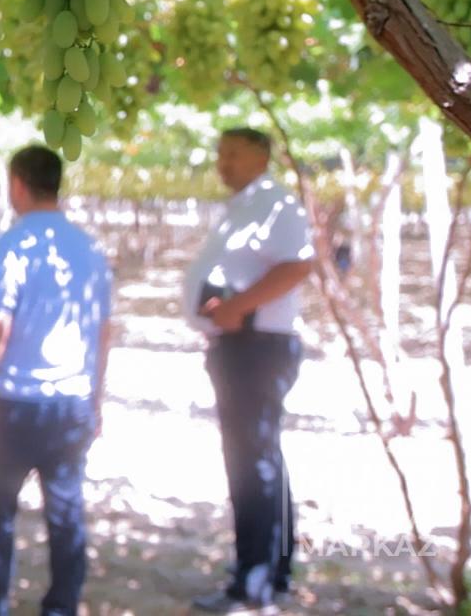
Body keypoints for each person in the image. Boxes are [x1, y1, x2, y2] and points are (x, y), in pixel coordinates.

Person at [0, 145, 115, 616]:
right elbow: (104, 329)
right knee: (66, 512)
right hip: (70, 399)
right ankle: (61, 606)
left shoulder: (14, 242)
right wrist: (96, 396)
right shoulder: (89, 248)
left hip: (14, 400)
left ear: (17, 184)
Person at [185, 127, 314, 614]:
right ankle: (272, 573)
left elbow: (297, 266)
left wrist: (237, 306)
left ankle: (251, 584)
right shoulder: (245, 206)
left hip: (256, 347)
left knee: (250, 465)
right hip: (241, 344)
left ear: (264, 156)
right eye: (220, 154)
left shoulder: (275, 203)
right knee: (261, 460)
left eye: (233, 155)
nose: (223, 163)